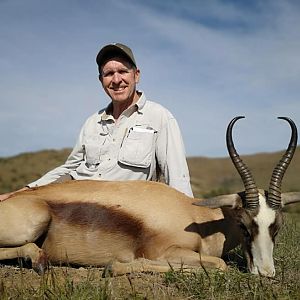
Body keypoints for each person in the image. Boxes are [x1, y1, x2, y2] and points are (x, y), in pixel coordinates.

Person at [0, 43, 193, 201]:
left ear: (136, 75)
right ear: (101, 81)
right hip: (76, 206)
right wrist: (22, 193)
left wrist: (190, 220)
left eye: (123, 71)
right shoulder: (92, 122)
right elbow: (70, 169)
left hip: (122, 215)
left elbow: (177, 177)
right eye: (108, 74)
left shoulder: (159, 116)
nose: (116, 80)